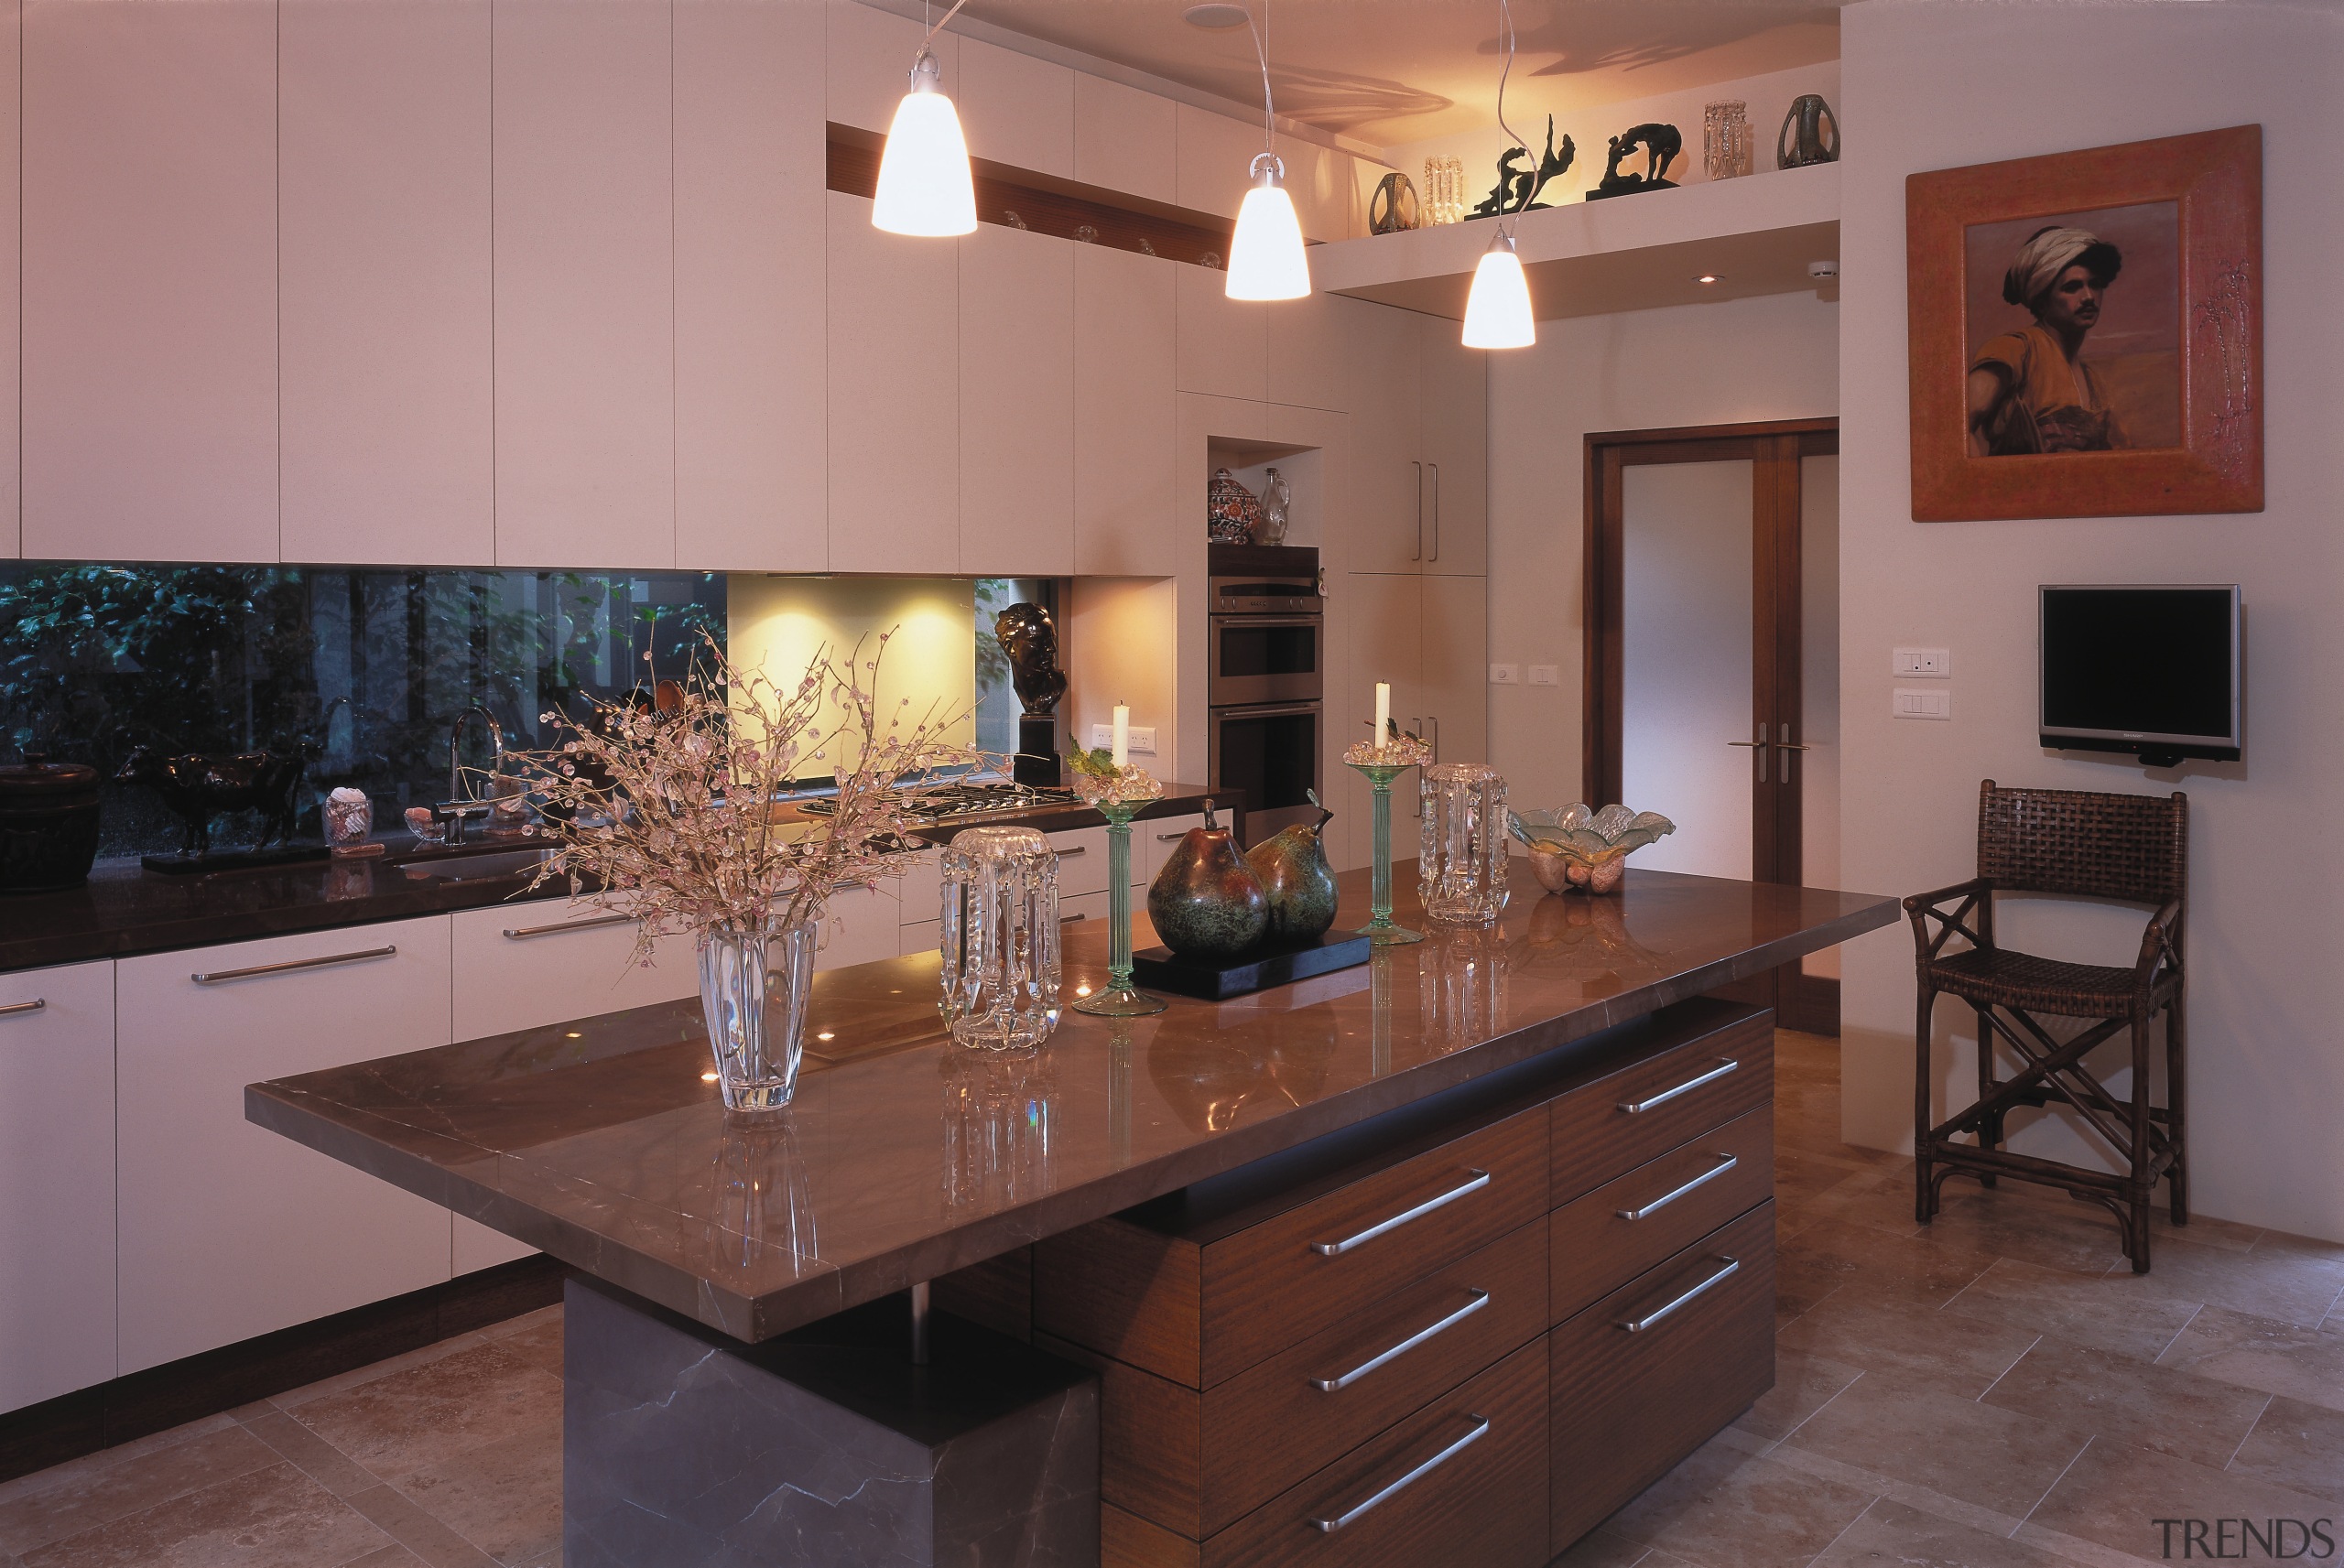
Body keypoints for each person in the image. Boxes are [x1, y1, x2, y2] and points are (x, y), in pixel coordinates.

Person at [1967, 225, 2127, 456]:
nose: (2089, 297)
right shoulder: (2015, 349)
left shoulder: (2093, 380)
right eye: (2072, 287)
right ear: (2042, 302)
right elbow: (1957, 422)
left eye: (2095, 284)